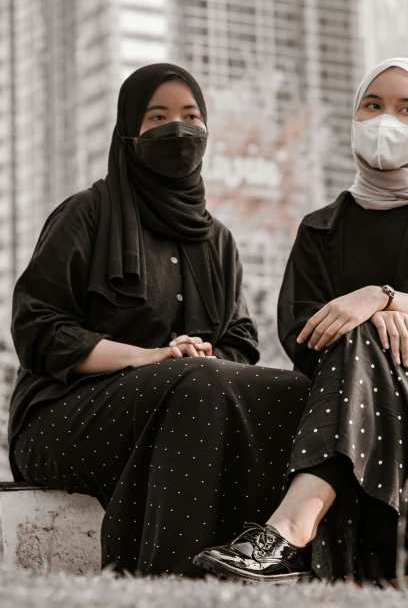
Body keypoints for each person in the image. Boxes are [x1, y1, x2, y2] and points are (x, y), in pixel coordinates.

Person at [193, 57, 408, 590]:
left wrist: (383, 300)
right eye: (373, 104)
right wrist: (375, 327)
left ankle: (288, 531)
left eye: (406, 109)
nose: (385, 118)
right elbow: (303, 334)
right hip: (356, 394)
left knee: (370, 334)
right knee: (365, 343)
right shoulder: (321, 229)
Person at [8, 62, 310, 578]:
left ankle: (271, 563)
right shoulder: (87, 214)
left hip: (187, 401)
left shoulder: (217, 241)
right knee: (194, 381)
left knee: (295, 392)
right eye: (158, 117)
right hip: (62, 419)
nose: (179, 130)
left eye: (192, 117)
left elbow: (238, 342)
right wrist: (153, 358)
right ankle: (170, 574)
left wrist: (198, 354)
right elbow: (38, 330)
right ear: (130, 134)